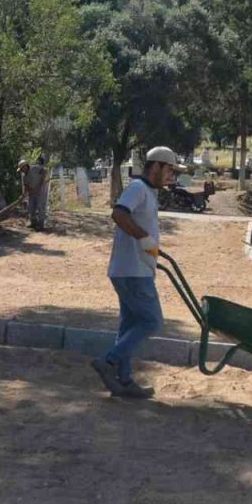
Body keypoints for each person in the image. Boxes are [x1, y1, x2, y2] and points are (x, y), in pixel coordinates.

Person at [89, 146, 177, 399]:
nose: (171, 176)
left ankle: (124, 380)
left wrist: (150, 248)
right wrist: (144, 238)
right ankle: (108, 361)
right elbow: (118, 214)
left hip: (133, 268)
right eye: (169, 170)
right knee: (152, 322)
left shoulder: (148, 192)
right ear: (156, 166)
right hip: (132, 271)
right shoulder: (138, 188)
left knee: (129, 325)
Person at [20, 156, 50, 230]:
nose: (21, 170)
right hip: (32, 192)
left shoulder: (35, 168)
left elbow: (45, 171)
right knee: (31, 207)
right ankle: (33, 223)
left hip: (41, 191)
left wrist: (40, 186)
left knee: (40, 206)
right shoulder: (24, 176)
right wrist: (23, 195)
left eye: (22, 168)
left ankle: (41, 224)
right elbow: (26, 185)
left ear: (25, 166)